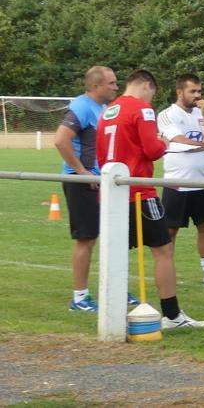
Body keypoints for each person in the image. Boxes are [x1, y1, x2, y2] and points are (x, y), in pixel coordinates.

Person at [98, 69, 204, 329]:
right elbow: (152, 149)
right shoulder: (143, 110)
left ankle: (112, 312)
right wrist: (162, 142)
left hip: (111, 192)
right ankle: (172, 315)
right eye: (152, 93)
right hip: (139, 191)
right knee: (163, 250)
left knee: (116, 252)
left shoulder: (108, 111)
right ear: (147, 86)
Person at [157, 74, 204, 286]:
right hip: (176, 182)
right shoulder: (166, 115)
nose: (198, 95)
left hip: (203, 181)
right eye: (193, 91)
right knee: (171, 230)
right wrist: (202, 145)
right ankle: (167, 271)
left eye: (199, 91)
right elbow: (176, 139)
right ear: (179, 92)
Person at [55, 66, 119, 312]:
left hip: (101, 181)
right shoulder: (82, 106)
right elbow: (61, 140)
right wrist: (81, 171)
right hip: (81, 182)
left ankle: (113, 289)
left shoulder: (103, 108)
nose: (115, 87)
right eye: (111, 83)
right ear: (95, 86)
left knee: (109, 236)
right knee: (86, 239)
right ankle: (80, 298)